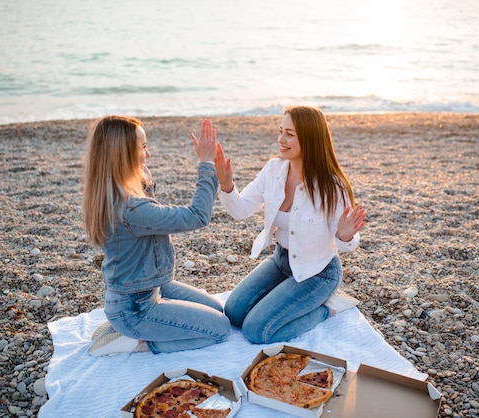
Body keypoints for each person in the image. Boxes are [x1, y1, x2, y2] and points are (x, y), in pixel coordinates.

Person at [214, 105, 366, 344]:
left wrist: (345, 236)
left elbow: (348, 243)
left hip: (317, 273)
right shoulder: (274, 169)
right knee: (234, 313)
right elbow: (240, 210)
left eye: (289, 134)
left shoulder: (332, 186)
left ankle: (328, 308)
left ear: (309, 139)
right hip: (280, 261)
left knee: (257, 331)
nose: (280, 139)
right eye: (280, 131)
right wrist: (226, 185)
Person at [83, 115, 230, 356]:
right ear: (123, 155)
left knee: (215, 307)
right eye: (142, 148)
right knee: (220, 329)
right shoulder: (132, 209)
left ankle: (123, 327)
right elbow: (196, 216)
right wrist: (206, 164)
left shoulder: (112, 190)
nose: (148, 154)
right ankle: (135, 340)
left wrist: (140, 173)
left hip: (146, 290)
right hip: (136, 309)